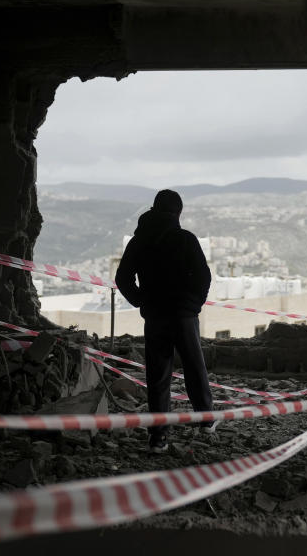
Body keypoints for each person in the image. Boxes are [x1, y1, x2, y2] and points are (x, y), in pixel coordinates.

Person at [115, 189, 216, 453]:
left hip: (156, 317)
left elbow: (122, 278)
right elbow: (203, 277)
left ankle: (158, 437)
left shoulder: (139, 242)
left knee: (157, 378)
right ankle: (205, 421)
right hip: (184, 316)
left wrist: (140, 301)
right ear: (178, 212)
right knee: (195, 368)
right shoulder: (185, 239)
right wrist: (194, 304)